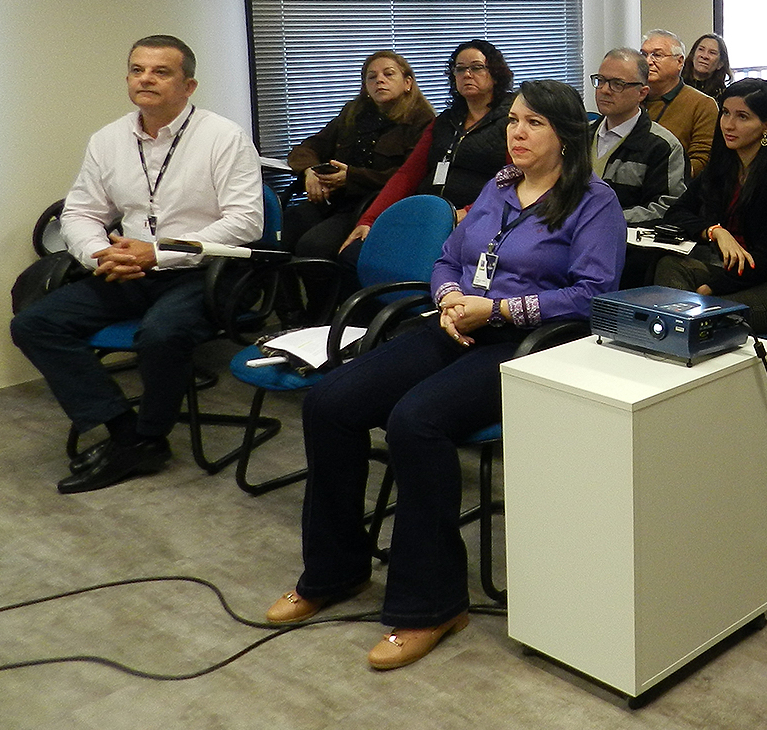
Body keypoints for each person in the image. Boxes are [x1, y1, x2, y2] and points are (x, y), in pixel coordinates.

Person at [267, 80, 625, 670]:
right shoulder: (498, 186)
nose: (516, 132)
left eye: (534, 123)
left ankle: (431, 605)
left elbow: (592, 295)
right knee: (330, 400)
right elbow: (448, 258)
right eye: (513, 121)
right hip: (459, 322)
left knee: (416, 422)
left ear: (565, 135)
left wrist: (501, 310)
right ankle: (335, 570)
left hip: (526, 344)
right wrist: (453, 296)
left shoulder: (593, 200)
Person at [11, 35, 264, 494]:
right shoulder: (108, 139)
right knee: (35, 323)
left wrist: (160, 251)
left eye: (160, 71)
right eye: (137, 69)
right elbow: (82, 211)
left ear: (189, 86)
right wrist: (98, 254)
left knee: (161, 334)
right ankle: (131, 438)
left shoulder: (223, 137)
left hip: (206, 273)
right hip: (130, 270)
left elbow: (246, 222)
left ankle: (147, 436)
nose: (145, 78)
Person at [656, 79, 767, 332]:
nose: (729, 125)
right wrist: (716, 231)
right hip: (725, 269)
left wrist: (712, 289)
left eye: (743, 117)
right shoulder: (724, 164)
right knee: (668, 265)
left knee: (703, 319)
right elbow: (675, 213)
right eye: (726, 113)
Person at [345, 39, 514, 252]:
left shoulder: (513, 119)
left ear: (496, 73)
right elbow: (408, 175)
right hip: (427, 214)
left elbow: (515, 181)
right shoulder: (445, 121)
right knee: (355, 253)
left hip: (478, 218)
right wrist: (369, 219)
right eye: (459, 69)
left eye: (476, 67)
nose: (467, 74)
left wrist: (469, 212)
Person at [282, 50, 434, 260]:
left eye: (388, 74)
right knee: (281, 233)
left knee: (313, 247)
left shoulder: (422, 121)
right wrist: (310, 171)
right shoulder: (353, 113)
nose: (379, 80)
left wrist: (352, 177)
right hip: (332, 200)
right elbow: (309, 147)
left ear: (408, 82)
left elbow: (408, 175)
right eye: (371, 77)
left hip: (372, 204)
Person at [587, 48, 686, 227]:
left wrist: (605, 219)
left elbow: (667, 207)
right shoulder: (581, 136)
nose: (604, 90)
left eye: (617, 84)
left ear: (642, 93)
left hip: (629, 245)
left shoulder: (662, 146)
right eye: (600, 81)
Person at [641, 29, 718, 177]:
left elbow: (702, 162)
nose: (648, 61)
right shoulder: (632, 98)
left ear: (679, 62)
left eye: (657, 55)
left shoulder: (702, 104)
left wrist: (658, 177)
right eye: (643, 54)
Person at [681, 32, 733, 101]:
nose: (704, 56)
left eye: (712, 52)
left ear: (720, 64)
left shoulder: (723, 96)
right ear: (693, 55)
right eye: (701, 49)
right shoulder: (675, 83)